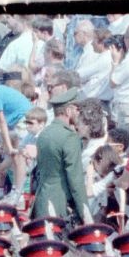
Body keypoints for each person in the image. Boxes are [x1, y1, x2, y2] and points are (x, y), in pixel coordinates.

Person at [29, 87, 92, 224]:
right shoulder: (69, 137)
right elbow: (75, 180)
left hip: (42, 201)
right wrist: (85, 214)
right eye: (77, 110)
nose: (79, 114)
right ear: (68, 111)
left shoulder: (44, 134)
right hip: (60, 205)